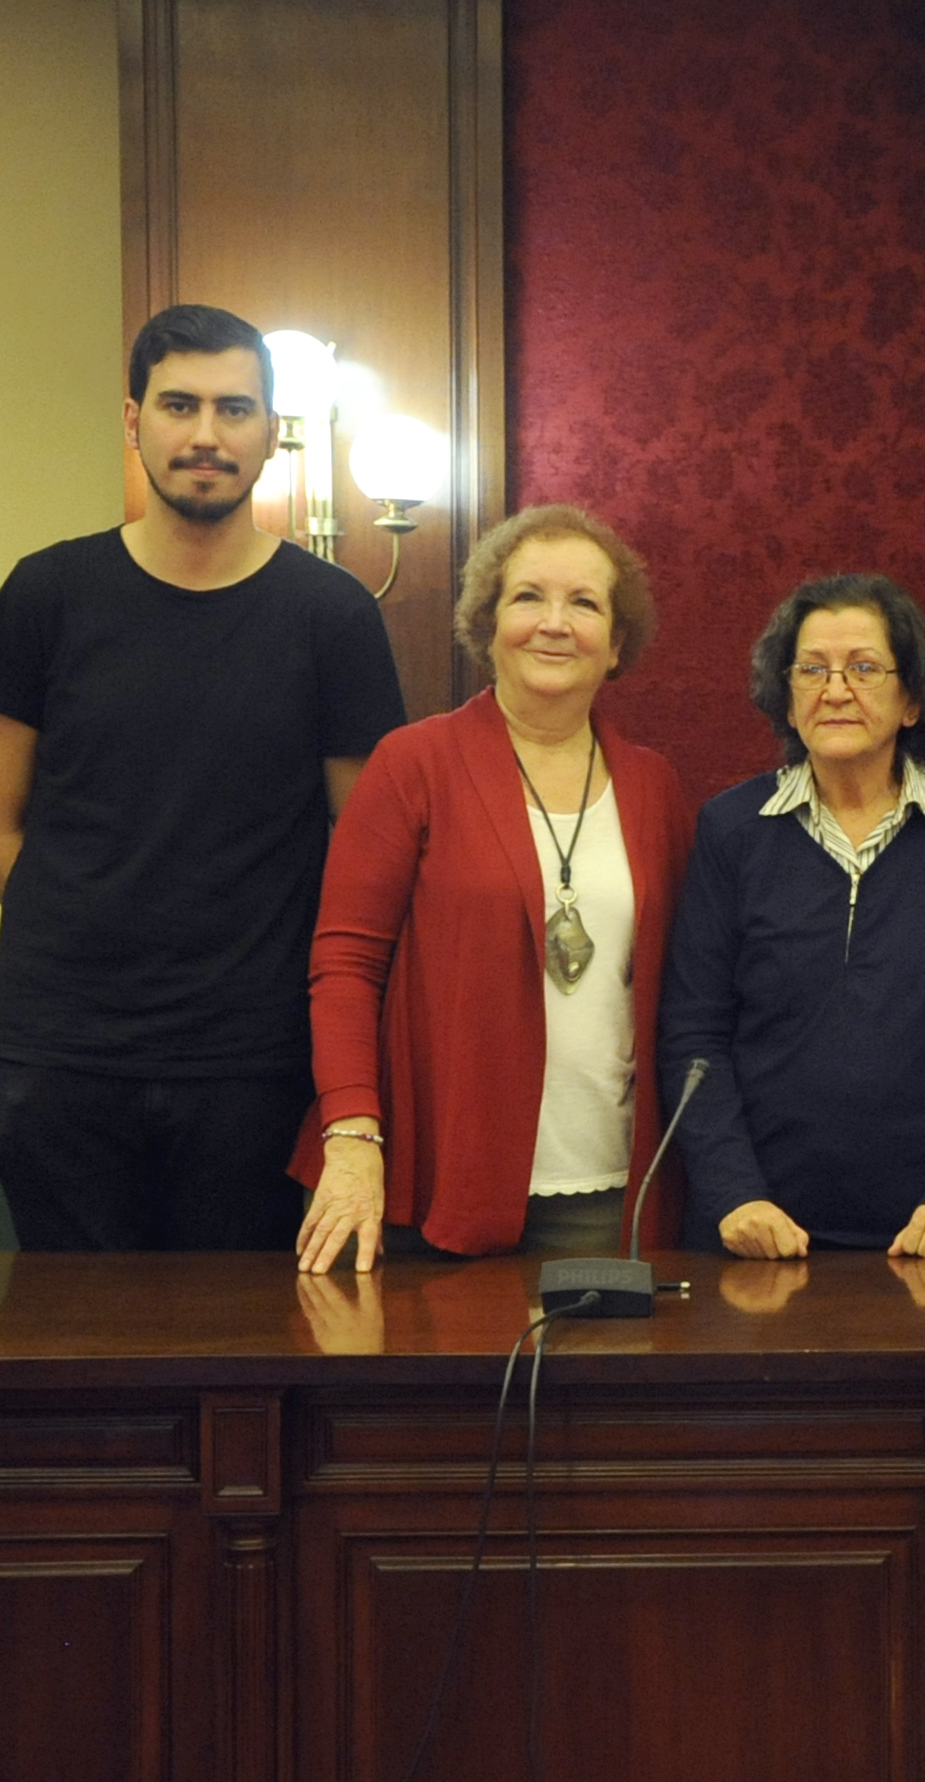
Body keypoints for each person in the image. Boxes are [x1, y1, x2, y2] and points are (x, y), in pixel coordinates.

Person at [0, 304, 406, 1251]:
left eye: (234, 409)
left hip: (256, 1057)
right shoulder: (47, 593)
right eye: (179, 405)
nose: (206, 434)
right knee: (71, 1331)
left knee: (242, 1329)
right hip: (61, 1055)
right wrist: (82, 927)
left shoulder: (333, 616)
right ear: (134, 421)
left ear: (272, 432)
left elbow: (367, 849)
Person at [293, 505, 692, 1269]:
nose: (555, 623)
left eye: (584, 603)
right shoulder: (413, 764)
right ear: (488, 623)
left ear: (616, 643)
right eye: (528, 597)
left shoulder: (653, 785)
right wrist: (351, 1134)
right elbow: (344, 966)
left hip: (605, 1188)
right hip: (420, 1176)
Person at [658, 573, 925, 1260]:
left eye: (863, 668)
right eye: (812, 670)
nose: (835, 690)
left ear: (911, 699)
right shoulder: (731, 830)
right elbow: (694, 1031)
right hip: (756, 1232)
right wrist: (735, 1194)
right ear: (786, 697)